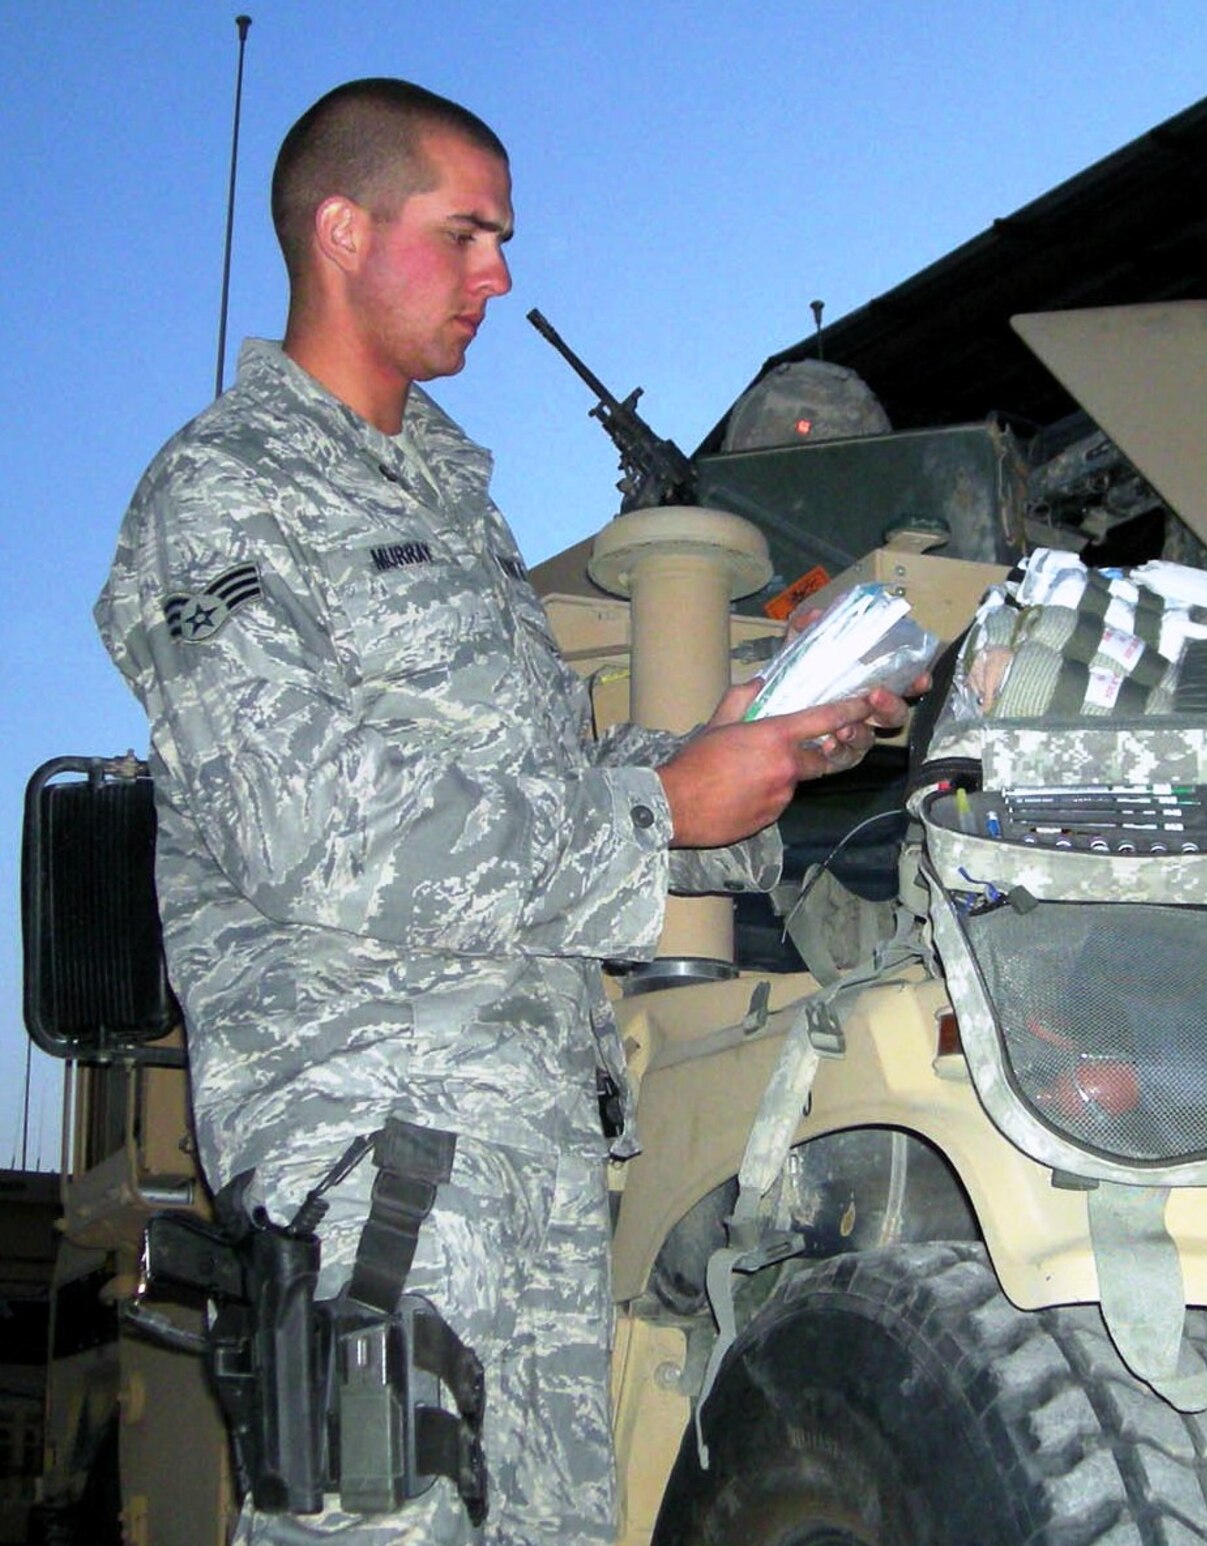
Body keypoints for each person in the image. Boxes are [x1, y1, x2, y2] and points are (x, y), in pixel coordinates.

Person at [95, 78, 907, 1543]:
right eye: (467, 234)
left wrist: (752, 749)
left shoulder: (459, 513)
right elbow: (312, 822)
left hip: (530, 1166)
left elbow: (536, 807)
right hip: (380, 1163)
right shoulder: (223, 490)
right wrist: (662, 807)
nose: (501, 275)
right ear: (343, 231)